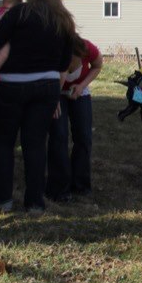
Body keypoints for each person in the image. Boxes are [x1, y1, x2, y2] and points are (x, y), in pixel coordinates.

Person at [0, 0, 75, 213]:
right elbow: (65, 62)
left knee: (4, 143)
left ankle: (2, 200)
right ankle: (34, 203)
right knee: (35, 144)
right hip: (46, 86)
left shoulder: (18, 13)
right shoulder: (63, 19)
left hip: (11, 85)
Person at [46, 35, 103, 202]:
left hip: (80, 92)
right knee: (59, 135)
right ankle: (59, 188)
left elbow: (97, 65)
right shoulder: (55, 53)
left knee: (84, 136)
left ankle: (80, 184)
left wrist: (82, 85)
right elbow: (55, 78)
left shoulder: (88, 48)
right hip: (55, 93)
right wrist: (53, 99)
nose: (72, 63)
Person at [117, 57, 142, 122]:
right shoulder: (140, 72)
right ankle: (121, 115)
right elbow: (130, 79)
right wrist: (135, 87)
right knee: (133, 107)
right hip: (133, 93)